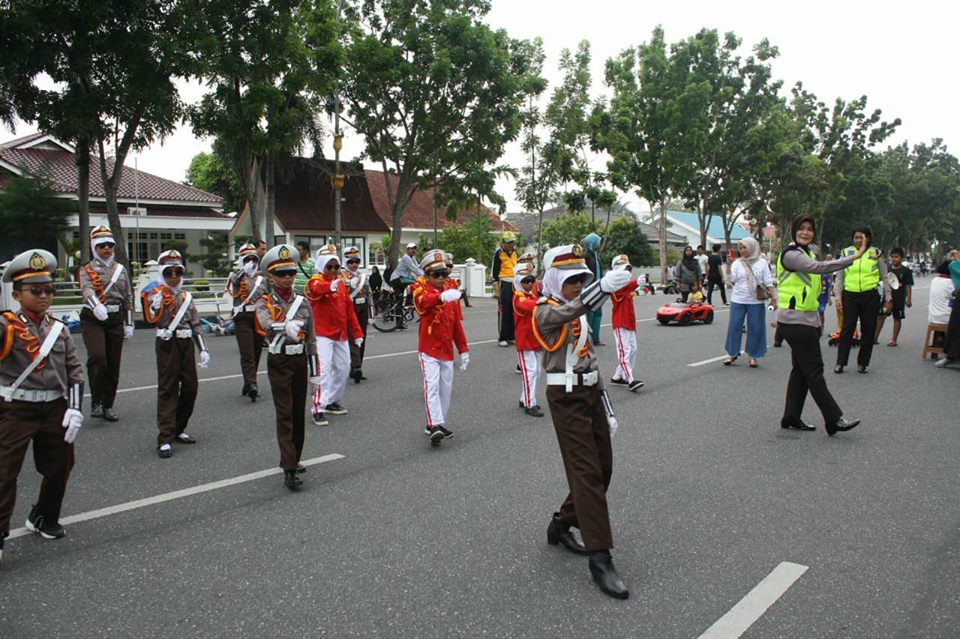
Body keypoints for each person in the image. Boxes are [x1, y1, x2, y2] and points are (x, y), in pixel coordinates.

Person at [534, 243, 633, 599]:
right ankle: (600, 557)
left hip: (590, 394)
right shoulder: (544, 311)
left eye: (583, 278)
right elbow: (571, 310)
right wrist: (602, 288)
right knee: (587, 473)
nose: (577, 285)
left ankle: (562, 522)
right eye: (571, 279)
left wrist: (605, 403)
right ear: (554, 279)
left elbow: (588, 355)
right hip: (566, 399)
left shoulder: (576, 310)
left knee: (603, 469)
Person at [0, 250, 84, 563]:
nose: (45, 296)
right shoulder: (6, 326)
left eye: (49, 290)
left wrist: (74, 408)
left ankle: (43, 516)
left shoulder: (60, 330)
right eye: (36, 290)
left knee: (61, 466)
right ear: (17, 293)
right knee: (5, 471)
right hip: (16, 409)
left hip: (54, 408)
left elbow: (75, 372)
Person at [776, 216, 863, 435]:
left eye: (809, 229)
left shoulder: (805, 253)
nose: (805, 232)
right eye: (801, 229)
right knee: (814, 370)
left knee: (801, 370)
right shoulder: (791, 255)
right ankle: (833, 419)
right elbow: (817, 268)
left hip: (803, 320)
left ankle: (791, 417)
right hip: (796, 322)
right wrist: (852, 258)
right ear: (794, 231)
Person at [255, 244, 320, 489]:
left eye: (291, 273)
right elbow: (263, 323)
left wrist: (316, 373)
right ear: (270, 277)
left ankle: (294, 457)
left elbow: (311, 339)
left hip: (299, 360)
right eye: (281, 274)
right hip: (279, 359)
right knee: (284, 413)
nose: (288, 278)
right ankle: (289, 467)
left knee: (297, 414)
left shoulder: (303, 301)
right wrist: (284, 327)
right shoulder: (264, 301)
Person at [141, 250, 211, 458]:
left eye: (177, 272)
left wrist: (203, 349)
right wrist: (154, 308)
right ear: (162, 274)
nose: (174, 277)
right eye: (169, 273)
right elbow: (149, 319)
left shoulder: (186, 297)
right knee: (168, 388)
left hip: (185, 343)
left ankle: (178, 427)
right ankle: (165, 437)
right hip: (167, 344)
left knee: (191, 387)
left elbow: (196, 324)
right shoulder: (155, 293)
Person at [412, 250, 469, 445]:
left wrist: (463, 349)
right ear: (427, 275)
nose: (441, 278)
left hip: (446, 350)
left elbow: (455, 325)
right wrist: (440, 298)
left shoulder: (450, 293)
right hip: (429, 349)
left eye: (444, 274)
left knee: (446, 389)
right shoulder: (421, 290)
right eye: (436, 274)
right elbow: (421, 305)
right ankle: (433, 424)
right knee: (432, 386)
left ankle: (438, 422)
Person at [78, 225, 134, 422]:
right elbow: (86, 289)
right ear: (95, 247)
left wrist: (129, 323)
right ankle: (96, 400)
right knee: (98, 357)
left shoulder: (121, 270)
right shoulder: (87, 269)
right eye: (102, 245)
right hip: (94, 318)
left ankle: (108, 405)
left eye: (110, 244)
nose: (107, 248)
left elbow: (127, 297)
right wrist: (96, 305)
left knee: (113, 363)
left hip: (115, 318)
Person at [305, 245, 363, 426]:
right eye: (329, 267)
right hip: (322, 334)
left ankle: (331, 400)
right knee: (323, 370)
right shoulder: (315, 281)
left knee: (344, 368)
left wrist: (357, 333)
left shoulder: (339, 284)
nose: (333, 270)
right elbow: (316, 289)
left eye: (336, 267)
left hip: (340, 334)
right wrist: (330, 285)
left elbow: (349, 311)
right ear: (322, 266)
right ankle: (318, 407)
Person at [834, 226, 892, 374]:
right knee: (847, 329)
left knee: (868, 329)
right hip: (850, 295)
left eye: (862, 237)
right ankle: (840, 362)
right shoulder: (846, 253)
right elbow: (840, 277)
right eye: (856, 237)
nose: (859, 240)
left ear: (868, 238)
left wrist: (888, 297)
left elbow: (885, 277)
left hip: (870, 296)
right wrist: (838, 297)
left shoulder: (876, 253)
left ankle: (863, 363)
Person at [722, 237, 775, 368]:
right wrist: (728, 265)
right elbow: (730, 280)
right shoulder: (736, 263)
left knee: (755, 328)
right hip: (738, 300)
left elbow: (768, 281)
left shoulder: (762, 263)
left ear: (752, 247)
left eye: (744, 247)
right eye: (740, 248)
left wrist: (774, 298)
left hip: (755, 301)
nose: (742, 250)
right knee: (734, 326)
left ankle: (754, 356)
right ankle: (732, 354)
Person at [226, 243, 268, 402]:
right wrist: (244, 270)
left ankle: (249, 381)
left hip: (258, 317)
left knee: (256, 350)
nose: (251, 262)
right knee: (247, 352)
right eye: (247, 259)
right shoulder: (236, 276)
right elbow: (233, 281)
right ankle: (252, 384)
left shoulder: (261, 279)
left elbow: (267, 297)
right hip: (242, 317)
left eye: (253, 259)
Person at [511, 261, 544, 417]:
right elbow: (530, 307)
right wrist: (543, 302)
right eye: (525, 281)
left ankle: (525, 398)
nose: (530, 283)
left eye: (531, 280)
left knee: (536, 371)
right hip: (525, 339)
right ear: (518, 281)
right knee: (530, 371)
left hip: (535, 337)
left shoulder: (531, 295)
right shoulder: (519, 297)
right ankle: (530, 404)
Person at [608, 254, 644, 391]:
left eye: (628, 269)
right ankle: (630, 379)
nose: (627, 272)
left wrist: (635, 284)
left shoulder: (626, 285)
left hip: (629, 322)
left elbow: (628, 288)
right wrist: (635, 283)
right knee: (625, 351)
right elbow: (621, 291)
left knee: (633, 350)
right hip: (620, 322)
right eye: (624, 269)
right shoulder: (614, 284)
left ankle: (618, 376)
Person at [343, 247, 372, 383]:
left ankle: (358, 363)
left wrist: (372, 313)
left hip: (363, 308)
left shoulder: (362, 276)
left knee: (362, 336)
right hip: (350, 308)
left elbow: (369, 293)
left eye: (356, 261)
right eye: (351, 262)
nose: (354, 264)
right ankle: (356, 367)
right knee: (352, 336)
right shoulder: (341, 277)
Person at [875, 247, 913, 347]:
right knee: (881, 316)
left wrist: (909, 299)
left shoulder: (906, 271)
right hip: (887, 298)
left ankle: (894, 340)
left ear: (901, 258)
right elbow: (880, 280)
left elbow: (908, 286)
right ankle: (874, 338)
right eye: (892, 257)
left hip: (899, 298)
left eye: (896, 257)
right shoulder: (887, 269)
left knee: (897, 318)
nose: (894, 259)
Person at [491, 231, 519, 346]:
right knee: (505, 311)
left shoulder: (515, 252)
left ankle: (511, 336)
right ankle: (502, 337)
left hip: (515, 284)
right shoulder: (498, 253)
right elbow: (494, 274)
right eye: (508, 243)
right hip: (504, 283)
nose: (511, 245)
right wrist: (497, 290)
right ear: (503, 243)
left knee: (514, 310)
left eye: (512, 242)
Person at [935, 252, 960, 368]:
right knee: (954, 326)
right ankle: (950, 356)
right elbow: (941, 269)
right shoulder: (955, 264)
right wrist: (950, 259)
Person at [390, 243, 423, 329]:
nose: (413, 250)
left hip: (402, 279)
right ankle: (410, 300)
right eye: (411, 249)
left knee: (399, 302)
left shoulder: (413, 258)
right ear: (407, 250)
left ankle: (399, 323)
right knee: (414, 283)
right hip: (397, 279)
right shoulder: (406, 258)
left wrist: (425, 273)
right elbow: (414, 269)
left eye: (415, 249)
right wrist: (424, 277)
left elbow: (417, 267)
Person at [582, 233, 605, 345]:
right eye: (597, 242)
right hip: (589, 289)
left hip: (599, 288)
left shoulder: (596, 255)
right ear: (592, 242)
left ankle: (595, 339)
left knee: (597, 314)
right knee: (589, 314)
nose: (599, 244)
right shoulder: (586, 256)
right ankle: (587, 340)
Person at [928, 260, 954, 326]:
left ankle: (940, 336)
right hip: (946, 318)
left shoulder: (935, 280)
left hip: (933, 317)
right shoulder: (950, 283)